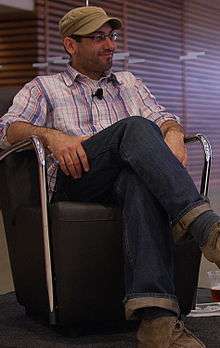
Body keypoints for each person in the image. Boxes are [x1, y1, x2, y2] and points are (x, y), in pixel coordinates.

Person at [0, 6, 219, 347]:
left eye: (112, 36)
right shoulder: (45, 87)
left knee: (138, 182)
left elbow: (163, 117)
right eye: (98, 38)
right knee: (135, 127)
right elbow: (7, 129)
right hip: (78, 181)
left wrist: (174, 132)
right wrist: (53, 137)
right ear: (71, 45)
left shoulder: (130, 83)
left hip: (123, 182)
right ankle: (206, 227)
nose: (110, 45)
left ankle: (157, 323)